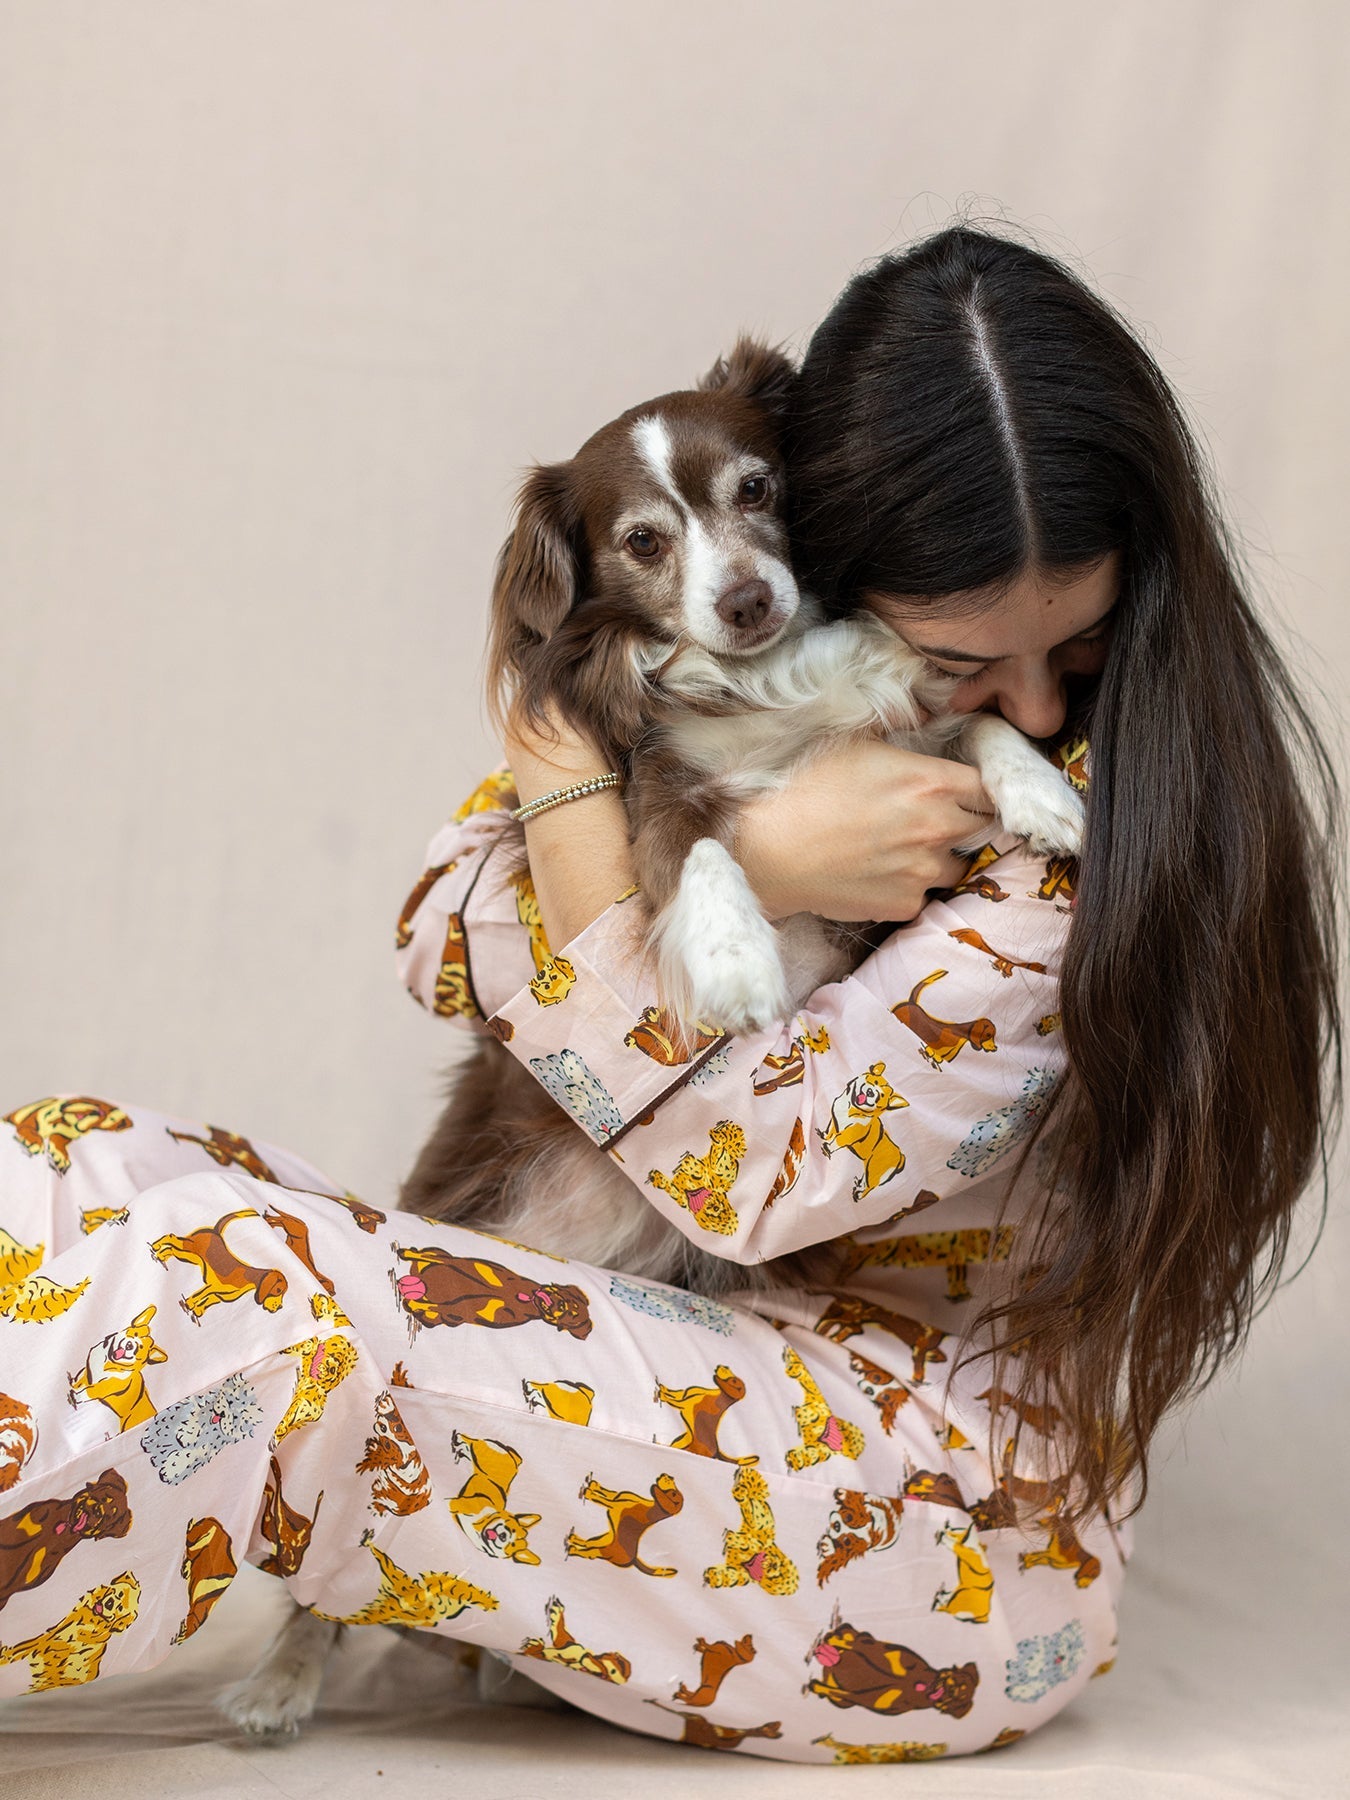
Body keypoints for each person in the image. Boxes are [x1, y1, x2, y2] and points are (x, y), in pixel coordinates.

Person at [0, 228, 1339, 1766]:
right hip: (658, 1368)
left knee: (237, 1292)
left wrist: (577, 787)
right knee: (85, 1167)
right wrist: (744, 853)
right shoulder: (781, 704)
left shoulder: (1080, 860)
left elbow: (739, 1171)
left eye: (1082, 644)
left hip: (904, 1533)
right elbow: (436, 918)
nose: (1038, 705)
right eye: (958, 654)